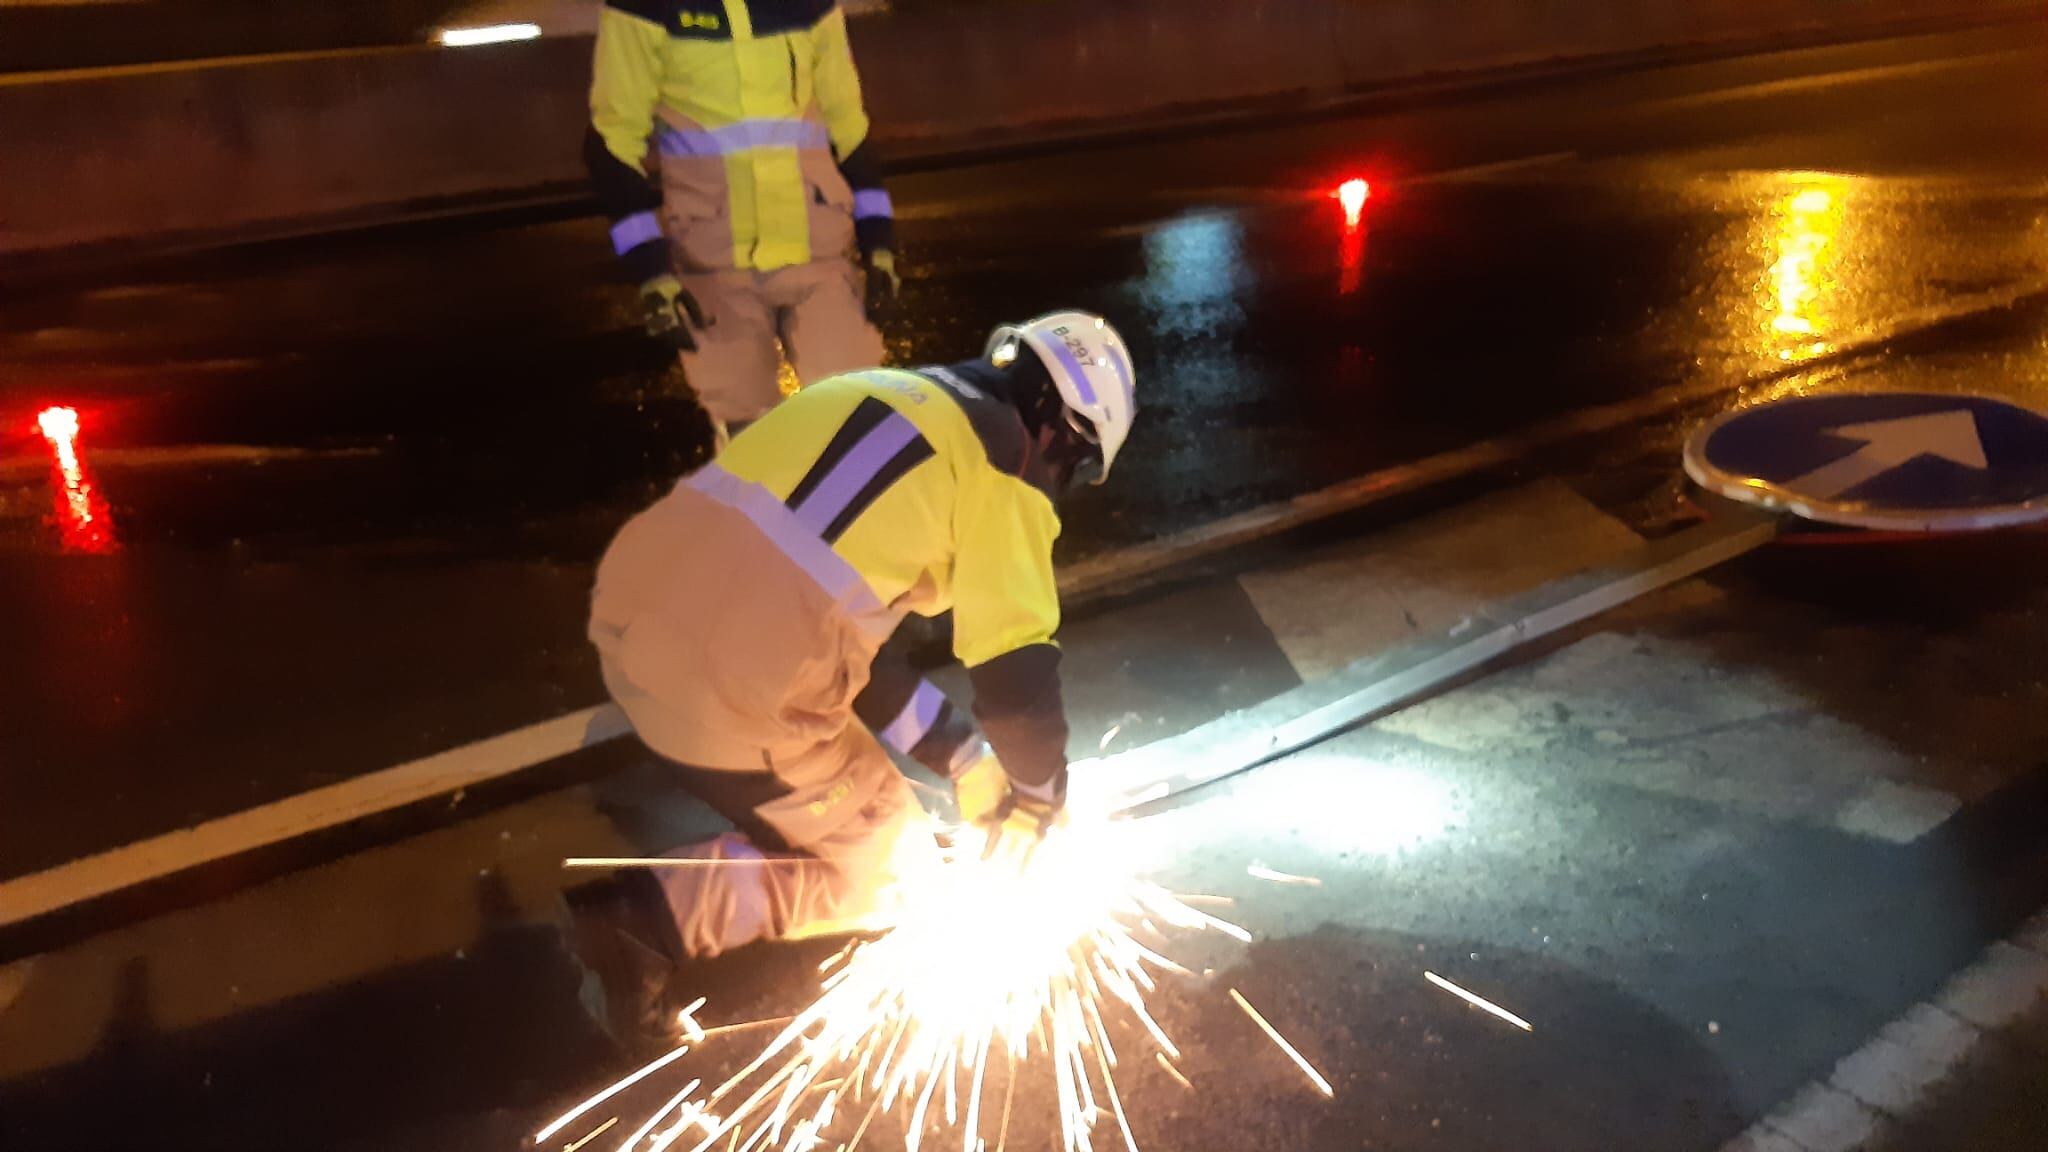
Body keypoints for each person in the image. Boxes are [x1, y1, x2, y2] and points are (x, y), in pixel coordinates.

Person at [567, 311, 1137, 1051]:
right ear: (1066, 435)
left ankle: (770, 825)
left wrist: (963, 756)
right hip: (725, 694)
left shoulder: (886, 394)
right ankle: (644, 925)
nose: (1063, 484)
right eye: (1075, 469)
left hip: (632, 634)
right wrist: (1038, 799)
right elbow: (1017, 676)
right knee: (893, 868)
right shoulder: (1007, 474)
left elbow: (848, 649)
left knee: (827, 734)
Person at [585, 0, 899, 445]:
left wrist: (879, 243)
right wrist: (651, 274)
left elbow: (849, 129)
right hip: (715, 266)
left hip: (818, 252)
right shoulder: (645, 7)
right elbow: (612, 145)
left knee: (858, 431)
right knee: (752, 448)